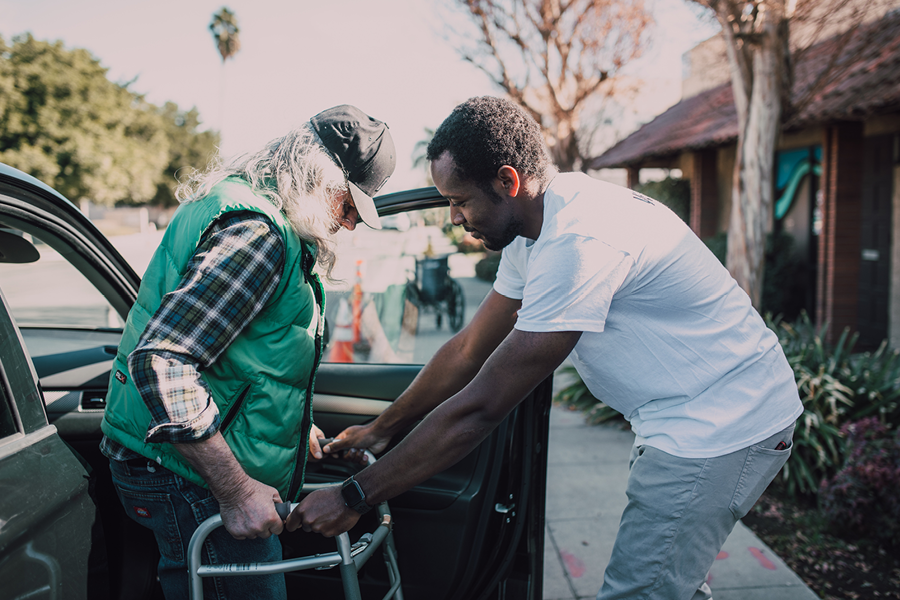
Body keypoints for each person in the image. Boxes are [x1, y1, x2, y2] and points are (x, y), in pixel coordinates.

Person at [287, 96, 803, 600]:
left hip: (722, 425)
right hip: (684, 417)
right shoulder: (535, 230)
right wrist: (383, 428)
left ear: (508, 182)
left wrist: (356, 496)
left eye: (460, 200)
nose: (453, 218)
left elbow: (482, 407)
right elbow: (469, 350)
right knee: (670, 582)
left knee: (640, 590)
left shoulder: (579, 239)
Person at [99, 104, 395, 600]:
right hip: (186, 476)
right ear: (316, 176)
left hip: (167, 459)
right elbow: (164, 361)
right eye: (348, 204)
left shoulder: (240, 207)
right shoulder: (259, 235)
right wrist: (236, 491)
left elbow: (238, 354)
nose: (348, 224)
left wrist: (291, 427)